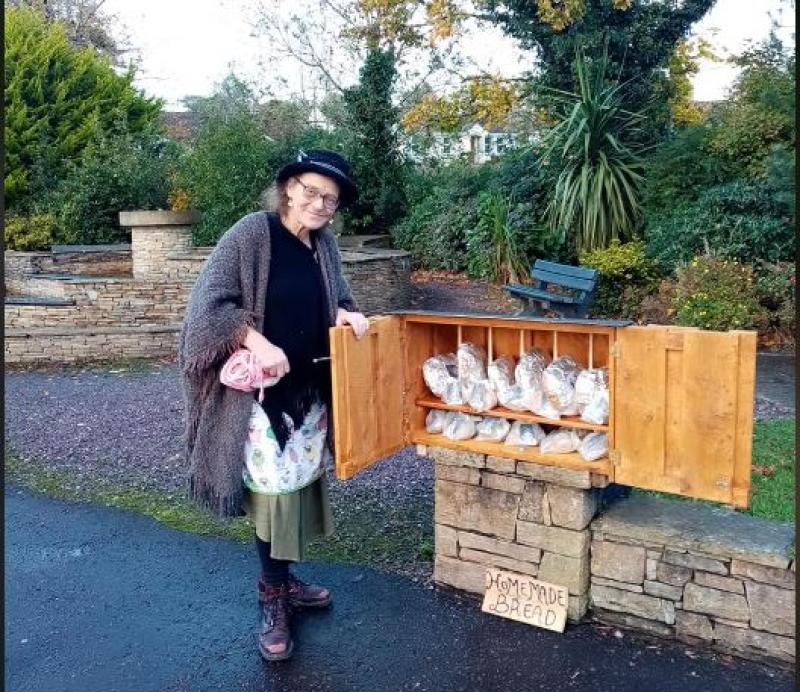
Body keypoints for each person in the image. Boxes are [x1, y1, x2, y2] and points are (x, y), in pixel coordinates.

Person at [179, 149, 369, 662]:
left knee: (296, 492)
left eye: (330, 198)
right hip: (263, 399)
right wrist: (253, 339)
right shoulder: (252, 234)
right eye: (311, 191)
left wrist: (349, 313)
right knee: (271, 495)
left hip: (309, 393)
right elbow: (207, 306)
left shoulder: (324, 246)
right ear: (288, 187)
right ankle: (273, 599)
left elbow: (337, 297)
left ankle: (286, 580)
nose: (320, 203)